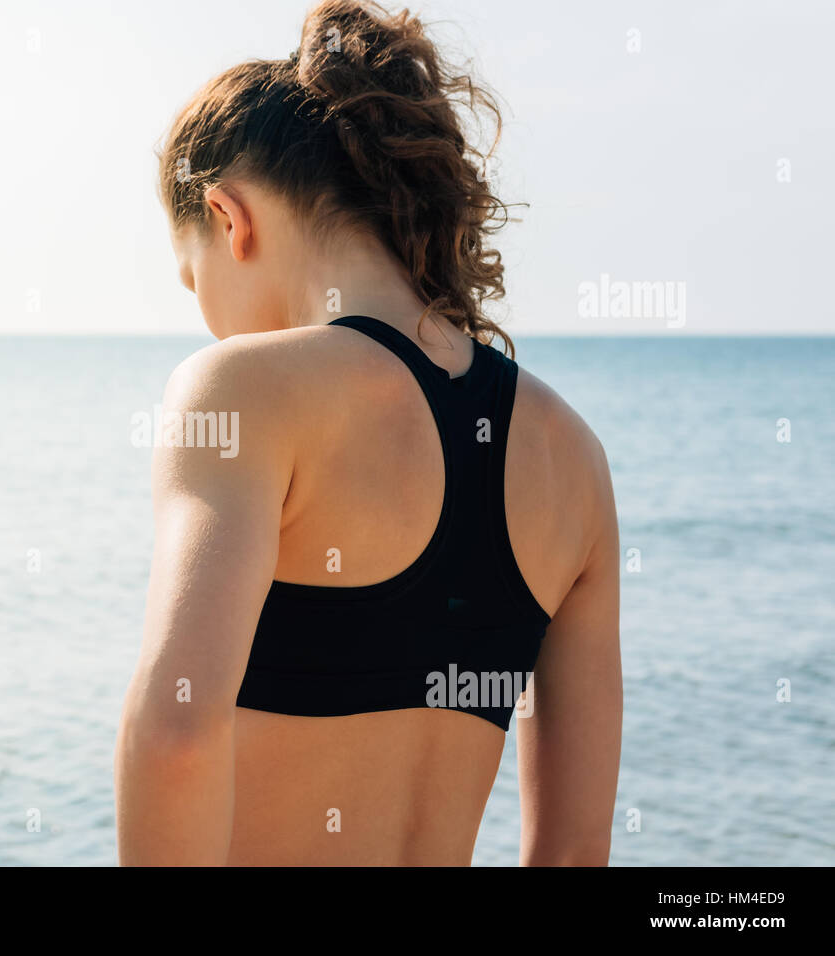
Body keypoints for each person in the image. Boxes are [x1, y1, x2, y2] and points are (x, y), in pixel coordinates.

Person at [115, 0, 621, 866]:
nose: (208, 326)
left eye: (191, 278)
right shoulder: (570, 454)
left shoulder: (241, 392)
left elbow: (178, 738)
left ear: (230, 220)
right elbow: (573, 855)